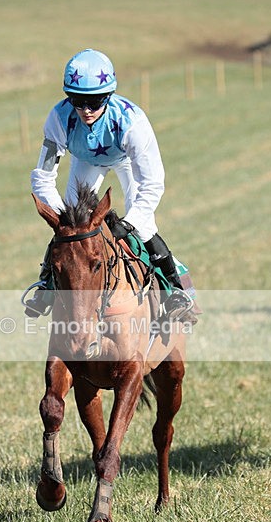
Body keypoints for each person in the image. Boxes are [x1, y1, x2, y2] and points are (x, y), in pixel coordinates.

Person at [24, 48, 194, 321]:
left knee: (144, 227)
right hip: (85, 161)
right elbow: (42, 177)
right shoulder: (58, 117)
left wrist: (130, 223)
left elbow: (152, 183)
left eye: (95, 102)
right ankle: (46, 285)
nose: (86, 111)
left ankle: (175, 289)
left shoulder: (132, 123)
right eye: (78, 101)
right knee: (71, 230)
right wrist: (64, 219)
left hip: (127, 160)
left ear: (109, 95)